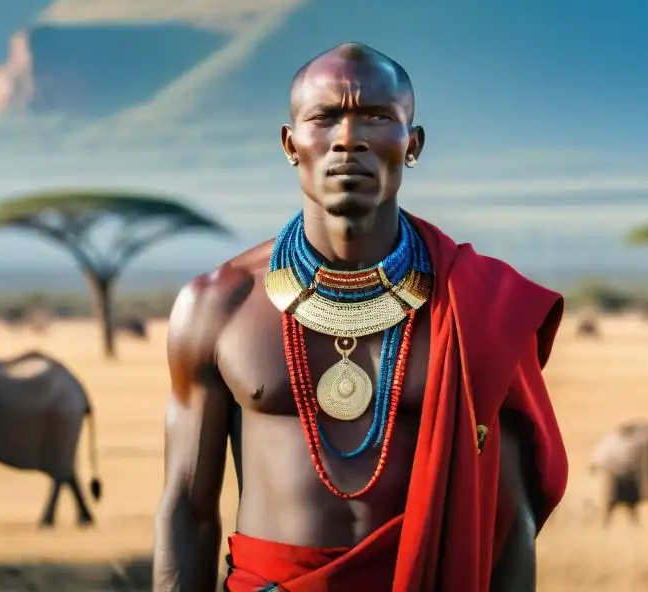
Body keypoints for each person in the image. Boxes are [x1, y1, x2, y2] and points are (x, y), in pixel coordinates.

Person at [153, 42, 568, 592]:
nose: (349, 139)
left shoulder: (480, 308)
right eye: (325, 117)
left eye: (377, 117)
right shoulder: (217, 305)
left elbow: (509, 524)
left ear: (412, 144)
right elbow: (187, 508)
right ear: (290, 143)